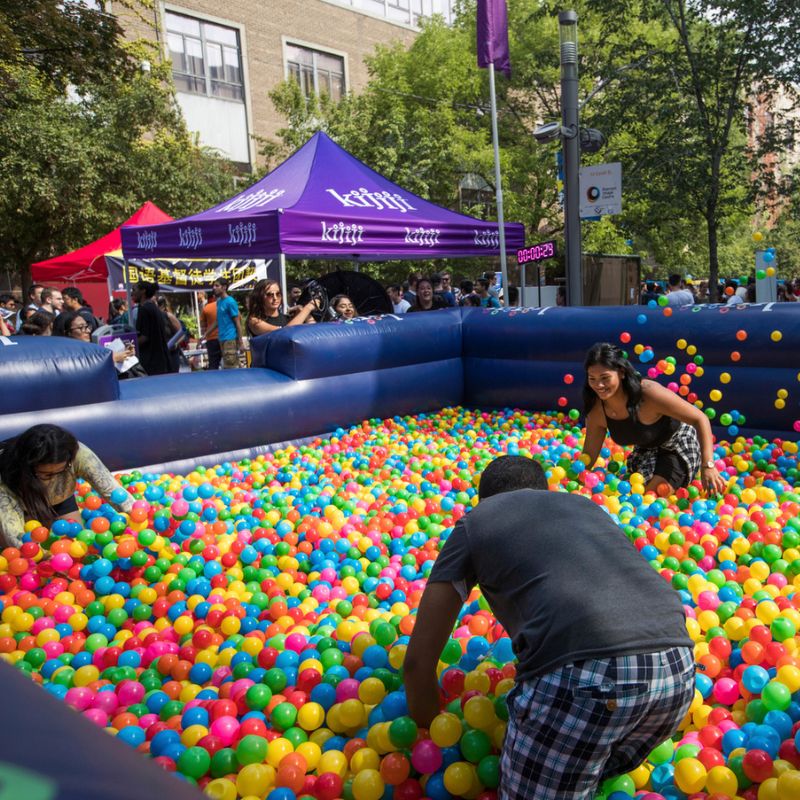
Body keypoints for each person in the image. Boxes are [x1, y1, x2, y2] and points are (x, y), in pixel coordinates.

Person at [404, 455, 694, 800]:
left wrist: (428, 741)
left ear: (485, 500)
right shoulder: (583, 506)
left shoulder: (477, 522)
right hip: (678, 671)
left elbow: (417, 662)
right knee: (586, 760)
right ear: (545, 492)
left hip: (586, 682)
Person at [582, 342, 726, 495]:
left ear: (621, 372)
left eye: (605, 377)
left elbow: (700, 418)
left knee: (651, 495)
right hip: (646, 450)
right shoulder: (598, 410)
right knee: (630, 495)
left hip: (678, 442)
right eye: (592, 379)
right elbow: (588, 457)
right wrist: (573, 481)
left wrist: (708, 465)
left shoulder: (648, 394)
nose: (599, 385)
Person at [0, 424, 135, 550]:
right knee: (22, 548)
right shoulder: (6, 474)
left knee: (77, 541)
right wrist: (44, 560)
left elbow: (112, 490)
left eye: (62, 471)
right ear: (28, 468)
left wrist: (139, 520)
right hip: (21, 500)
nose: (54, 478)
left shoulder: (79, 454)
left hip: (60, 497)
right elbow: (14, 536)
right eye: (46, 474)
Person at [246, 279, 318, 336]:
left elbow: (314, 331)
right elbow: (285, 333)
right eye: (269, 294)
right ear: (260, 297)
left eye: (278, 294)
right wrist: (307, 308)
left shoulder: (288, 319)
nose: (275, 298)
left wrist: (305, 313)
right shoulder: (254, 321)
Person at [133, 280, 171, 376]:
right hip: (161, 361)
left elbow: (145, 337)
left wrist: (130, 345)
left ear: (143, 291)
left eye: (134, 289)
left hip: (151, 362)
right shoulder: (154, 308)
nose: (132, 293)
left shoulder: (144, 309)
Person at [203, 278, 242, 369]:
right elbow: (217, 321)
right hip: (221, 338)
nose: (214, 288)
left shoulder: (230, 302)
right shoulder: (219, 302)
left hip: (230, 339)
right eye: (214, 286)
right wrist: (206, 333)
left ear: (224, 287)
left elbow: (238, 322)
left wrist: (240, 342)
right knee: (227, 364)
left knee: (230, 366)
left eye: (217, 286)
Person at [200, 290, 220, 370]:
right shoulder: (223, 305)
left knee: (213, 365)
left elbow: (203, 325)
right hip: (225, 337)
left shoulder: (206, 308)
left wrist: (204, 335)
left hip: (211, 339)